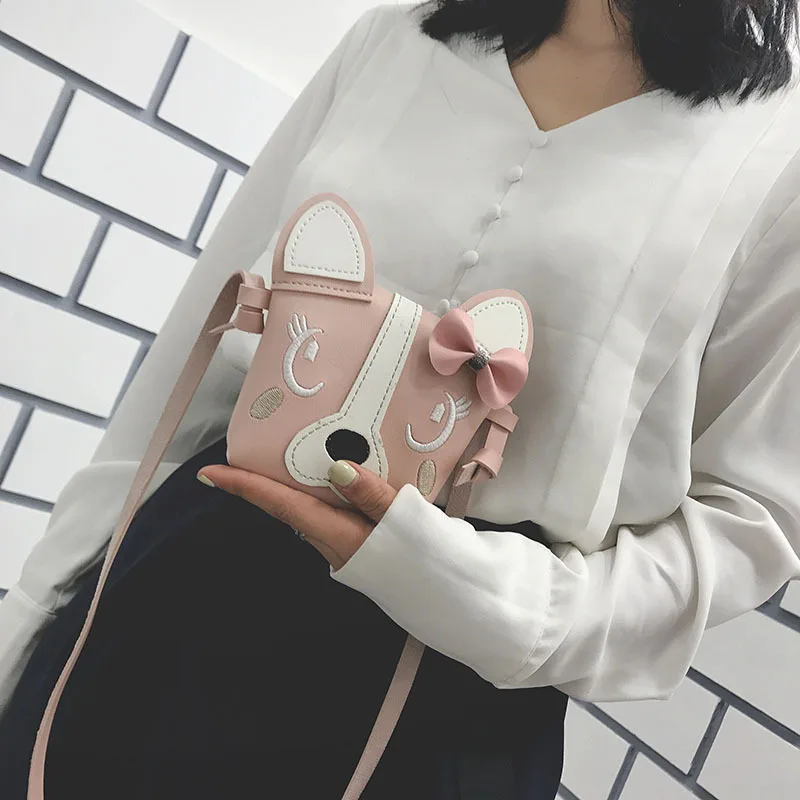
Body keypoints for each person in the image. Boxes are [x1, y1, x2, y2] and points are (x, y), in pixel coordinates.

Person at [2, 1, 800, 798]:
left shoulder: (775, 157)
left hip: (447, 698)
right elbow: (198, 356)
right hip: (176, 596)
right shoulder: (400, 36)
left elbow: (752, 518)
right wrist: (36, 611)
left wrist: (511, 608)